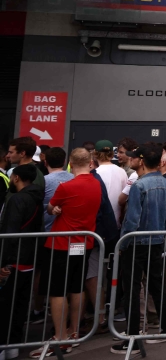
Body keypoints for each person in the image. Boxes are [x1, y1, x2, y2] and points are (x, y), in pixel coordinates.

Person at [115, 144, 166, 354]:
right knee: (157, 287)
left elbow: (132, 220)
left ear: (141, 161)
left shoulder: (139, 186)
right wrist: (163, 240)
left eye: (134, 158)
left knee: (132, 290)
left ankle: (132, 338)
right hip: (157, 242)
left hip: (137, 243)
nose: (131, 160)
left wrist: (123, 243)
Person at [38, 148, 101, 355]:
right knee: (76, 287)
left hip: (62, 243)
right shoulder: (96, 183)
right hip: (84, 242)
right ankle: (74, 332)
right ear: (91, 162)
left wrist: (53, 209)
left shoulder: (66, 187)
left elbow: (50, 209)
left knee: (57, 291)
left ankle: (60, 335)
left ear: (70, 164)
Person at [0, 164, 44, 350]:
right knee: (19, 304)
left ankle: (4, 345)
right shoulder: (36, 198)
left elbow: (10, 232)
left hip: (14, 260)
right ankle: (14, 345)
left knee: (6, 305)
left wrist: (3, 262)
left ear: (16, 178)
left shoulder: (17, 200)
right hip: (28, 259)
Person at [42, 147, 73, 231]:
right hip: (67, 230)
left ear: (45, 162)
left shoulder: (43, 181)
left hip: (46, 230)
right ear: (64, 162)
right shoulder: (74, 178)